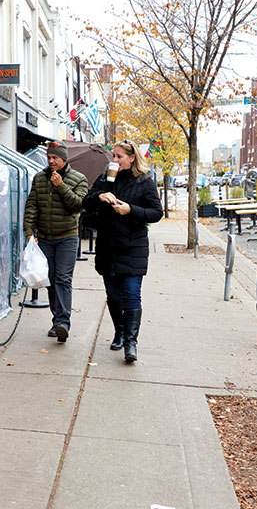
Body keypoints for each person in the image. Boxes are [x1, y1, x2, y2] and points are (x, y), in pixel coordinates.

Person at [82, 139, 163, 362]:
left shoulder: (145, 181)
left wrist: (131, 210)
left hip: (133, 246)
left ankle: (131, 343)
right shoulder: (107, 177)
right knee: (113, 296)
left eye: (119, 156)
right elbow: (86, 201)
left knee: (131, 295)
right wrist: (99, 196)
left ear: (132, 158)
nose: (114, 160)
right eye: (114, 156)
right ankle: (119, 331)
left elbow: (156, 213)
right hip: (108, 247)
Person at [23, 140, 88, 343]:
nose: (51, 161)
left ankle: (63, 323)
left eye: (55, 158)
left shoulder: (79, 179)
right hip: (44, 238)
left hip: (67, 236)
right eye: (49, 157)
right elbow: (32, 204)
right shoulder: (39, 178)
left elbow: (78, 206)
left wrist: (61, 186)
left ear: (64, 159)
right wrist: (29, 231)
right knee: (50, 280)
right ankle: (56, 321)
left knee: (63, 279)